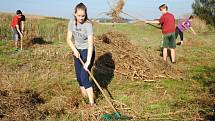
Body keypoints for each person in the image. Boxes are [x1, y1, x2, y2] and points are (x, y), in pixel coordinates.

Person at [67, 3, 95, 106]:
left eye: (83, 15)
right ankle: (85, 100)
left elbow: (91, 44)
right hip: (77, 51)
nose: (81, 18)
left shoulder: (88, 24)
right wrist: (74, 50)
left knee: (84, 77)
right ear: (75, 14)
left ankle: (92, 105)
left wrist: (88, 61)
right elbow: (68, 39)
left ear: (85, 14)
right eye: (79, 15)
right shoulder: (71, 23)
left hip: (88, 51)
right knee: (79, 78)